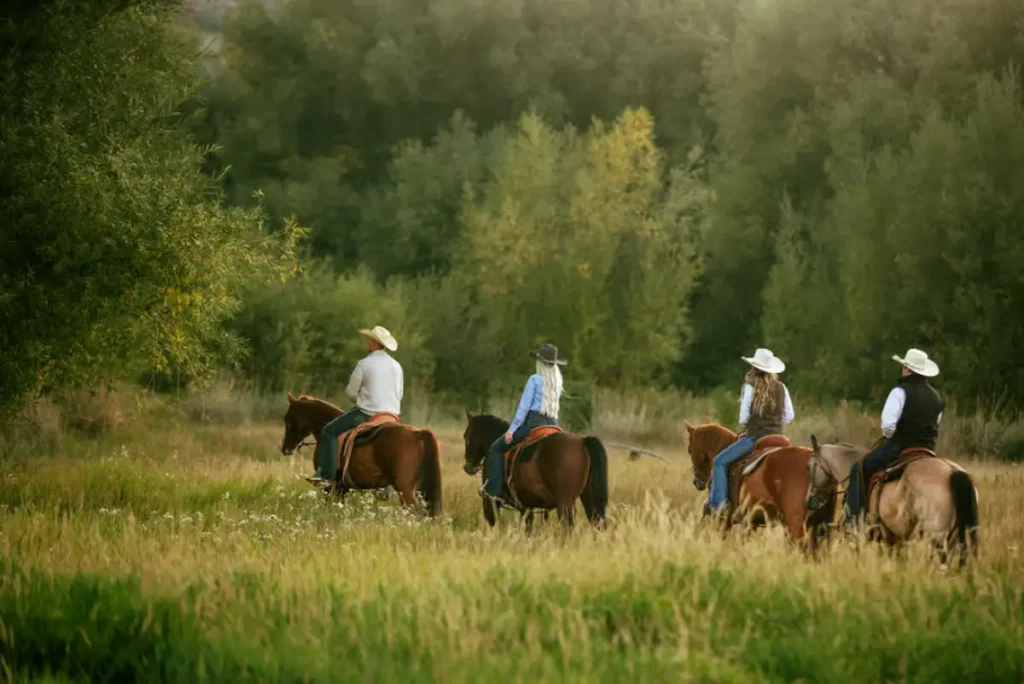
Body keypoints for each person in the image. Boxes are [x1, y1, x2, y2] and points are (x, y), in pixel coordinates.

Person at [844, 348, 944, 525]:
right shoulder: (936, 397)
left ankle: (856, 522)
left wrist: (890, 436)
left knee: (859, 468)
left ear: (906, 368)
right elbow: (936, 423)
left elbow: (888, 425)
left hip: (901, 446)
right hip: (928, 449)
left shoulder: (900, 392)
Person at [307, 326, 403, 484]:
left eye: (369, 340)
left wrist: (361, 399)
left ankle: (327, 475)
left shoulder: (364, 363)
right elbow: (399, 394)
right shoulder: (397, 366)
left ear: (373, 343)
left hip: (367, 413)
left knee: (329, 431)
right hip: (391, 416)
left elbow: (351, 392)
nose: (367, 343)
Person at [707, 348, 795, 514]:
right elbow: (789, 416)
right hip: (780, 438)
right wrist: (774, 424)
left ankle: (719, 505)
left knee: (719, 461)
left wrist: (757, 424)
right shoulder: (782, 388)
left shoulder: (750, 388)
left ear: (755, 368)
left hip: (756, 438)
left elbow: (743, 418)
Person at [479, 343, 567, 502]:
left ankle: (493, 490)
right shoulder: (557, 382)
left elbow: (523, 408)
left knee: (496, 449)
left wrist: (511, 430)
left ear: (540, 362)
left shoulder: (535, 379)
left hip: (534, 423)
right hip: (553, 424)